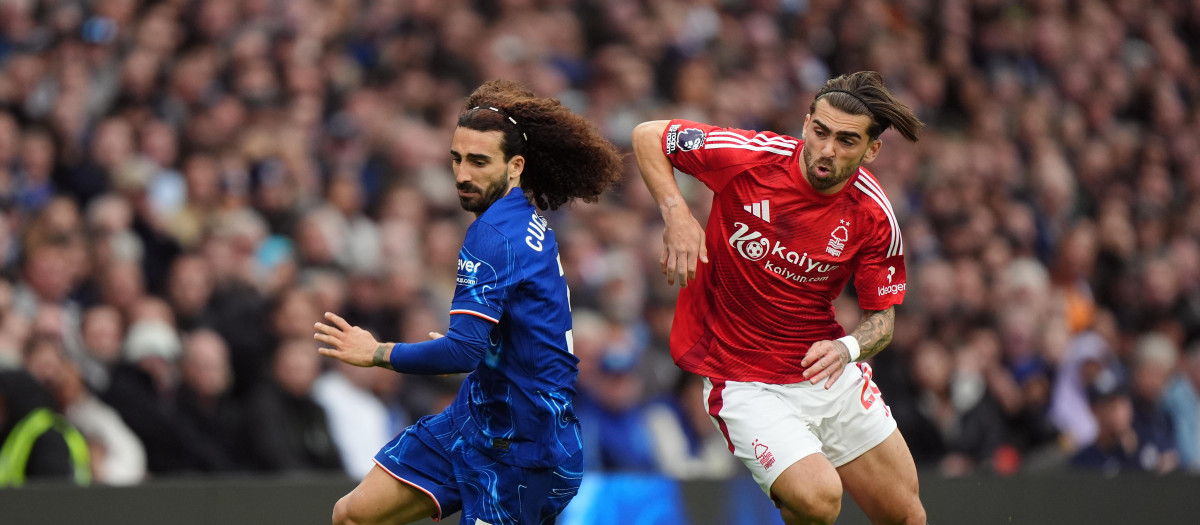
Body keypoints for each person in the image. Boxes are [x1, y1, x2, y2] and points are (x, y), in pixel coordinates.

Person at [314, 79, 622, 525]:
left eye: (479, 162)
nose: (462, 175)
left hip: (524, 448)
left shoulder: (494, 236)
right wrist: (488, 350)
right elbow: (514, 330)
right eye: (456, 158)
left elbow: (462, 351)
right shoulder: (521, 219)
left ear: (515, 167)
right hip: (478, 414)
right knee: (352, 515)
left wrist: (377, 352)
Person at [632, 71, 927, 525]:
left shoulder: (874, 214)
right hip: (743, 380)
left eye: (847, 140)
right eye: (820, 131)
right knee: (820, 498)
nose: (826, 149)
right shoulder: (748, 158)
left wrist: (846, 348)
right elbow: (649, 135)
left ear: (872, 150)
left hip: (825, 372)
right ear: (806, 123)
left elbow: (883, 321)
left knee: (907, 517)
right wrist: (677, 214)